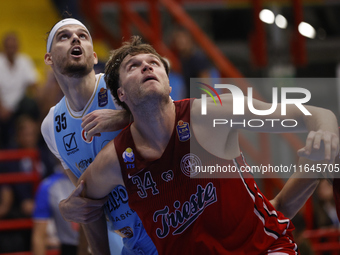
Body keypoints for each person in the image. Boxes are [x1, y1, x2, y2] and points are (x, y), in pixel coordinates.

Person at [78, 36, 339, 254]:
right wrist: (68, 207)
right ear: (121, 94)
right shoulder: (115, 160)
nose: (146, 67)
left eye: (154, 63)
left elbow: (314, 114)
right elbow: (82, 202)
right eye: (133, 66)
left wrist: (326, 133)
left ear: (169, 84)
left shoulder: (209, 113)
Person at [41, 18, 157, 254]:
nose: (75, 38)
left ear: (94, 56)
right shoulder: (51, 126)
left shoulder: (121, 84)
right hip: (133, 243)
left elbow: (178, 118)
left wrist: (125, 117)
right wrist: (68, 207)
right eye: (64, 36)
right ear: (49, 58)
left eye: (83, 35)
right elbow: (87, 205)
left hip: (171, 223)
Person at [0, 32, 40, 148]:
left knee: (31, 104)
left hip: (19, 105)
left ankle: (33, 138)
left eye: (13, 47)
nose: (11, 49)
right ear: (4, 47)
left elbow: (34, 84)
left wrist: (40, 100)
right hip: (2, 105)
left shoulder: (24, 61)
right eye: (9, 47)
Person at [32, 169, 80, 255]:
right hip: (70, 247)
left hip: (104, 244)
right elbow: (39, 235)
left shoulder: (101, 177)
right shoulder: (48, 186)